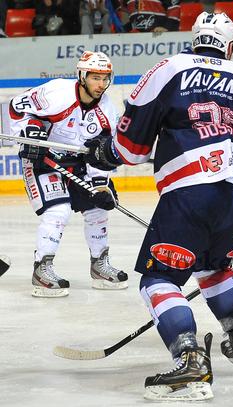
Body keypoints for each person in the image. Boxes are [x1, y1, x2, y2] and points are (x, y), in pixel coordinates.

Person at [82, 12, 233, 401]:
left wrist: (107, 151)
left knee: (158, 281)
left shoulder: (169, 67)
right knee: (213, 265)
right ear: (229, 46)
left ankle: (189, 359)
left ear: (196, 40)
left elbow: (130, 146)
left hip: (191, 191)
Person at [9, 51, 127, 298]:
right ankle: (42, 269)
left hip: (78, 164)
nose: (101, 84)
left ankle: (99, 265)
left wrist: (100, 186)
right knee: (58, 211)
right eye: (95, 78)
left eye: (105, 78)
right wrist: (31, 129)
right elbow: (15, 108)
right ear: (82, 76)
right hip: (42, 161)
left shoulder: (107, 110)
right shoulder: (56, 94)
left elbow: (101, 154)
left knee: (99, 208)